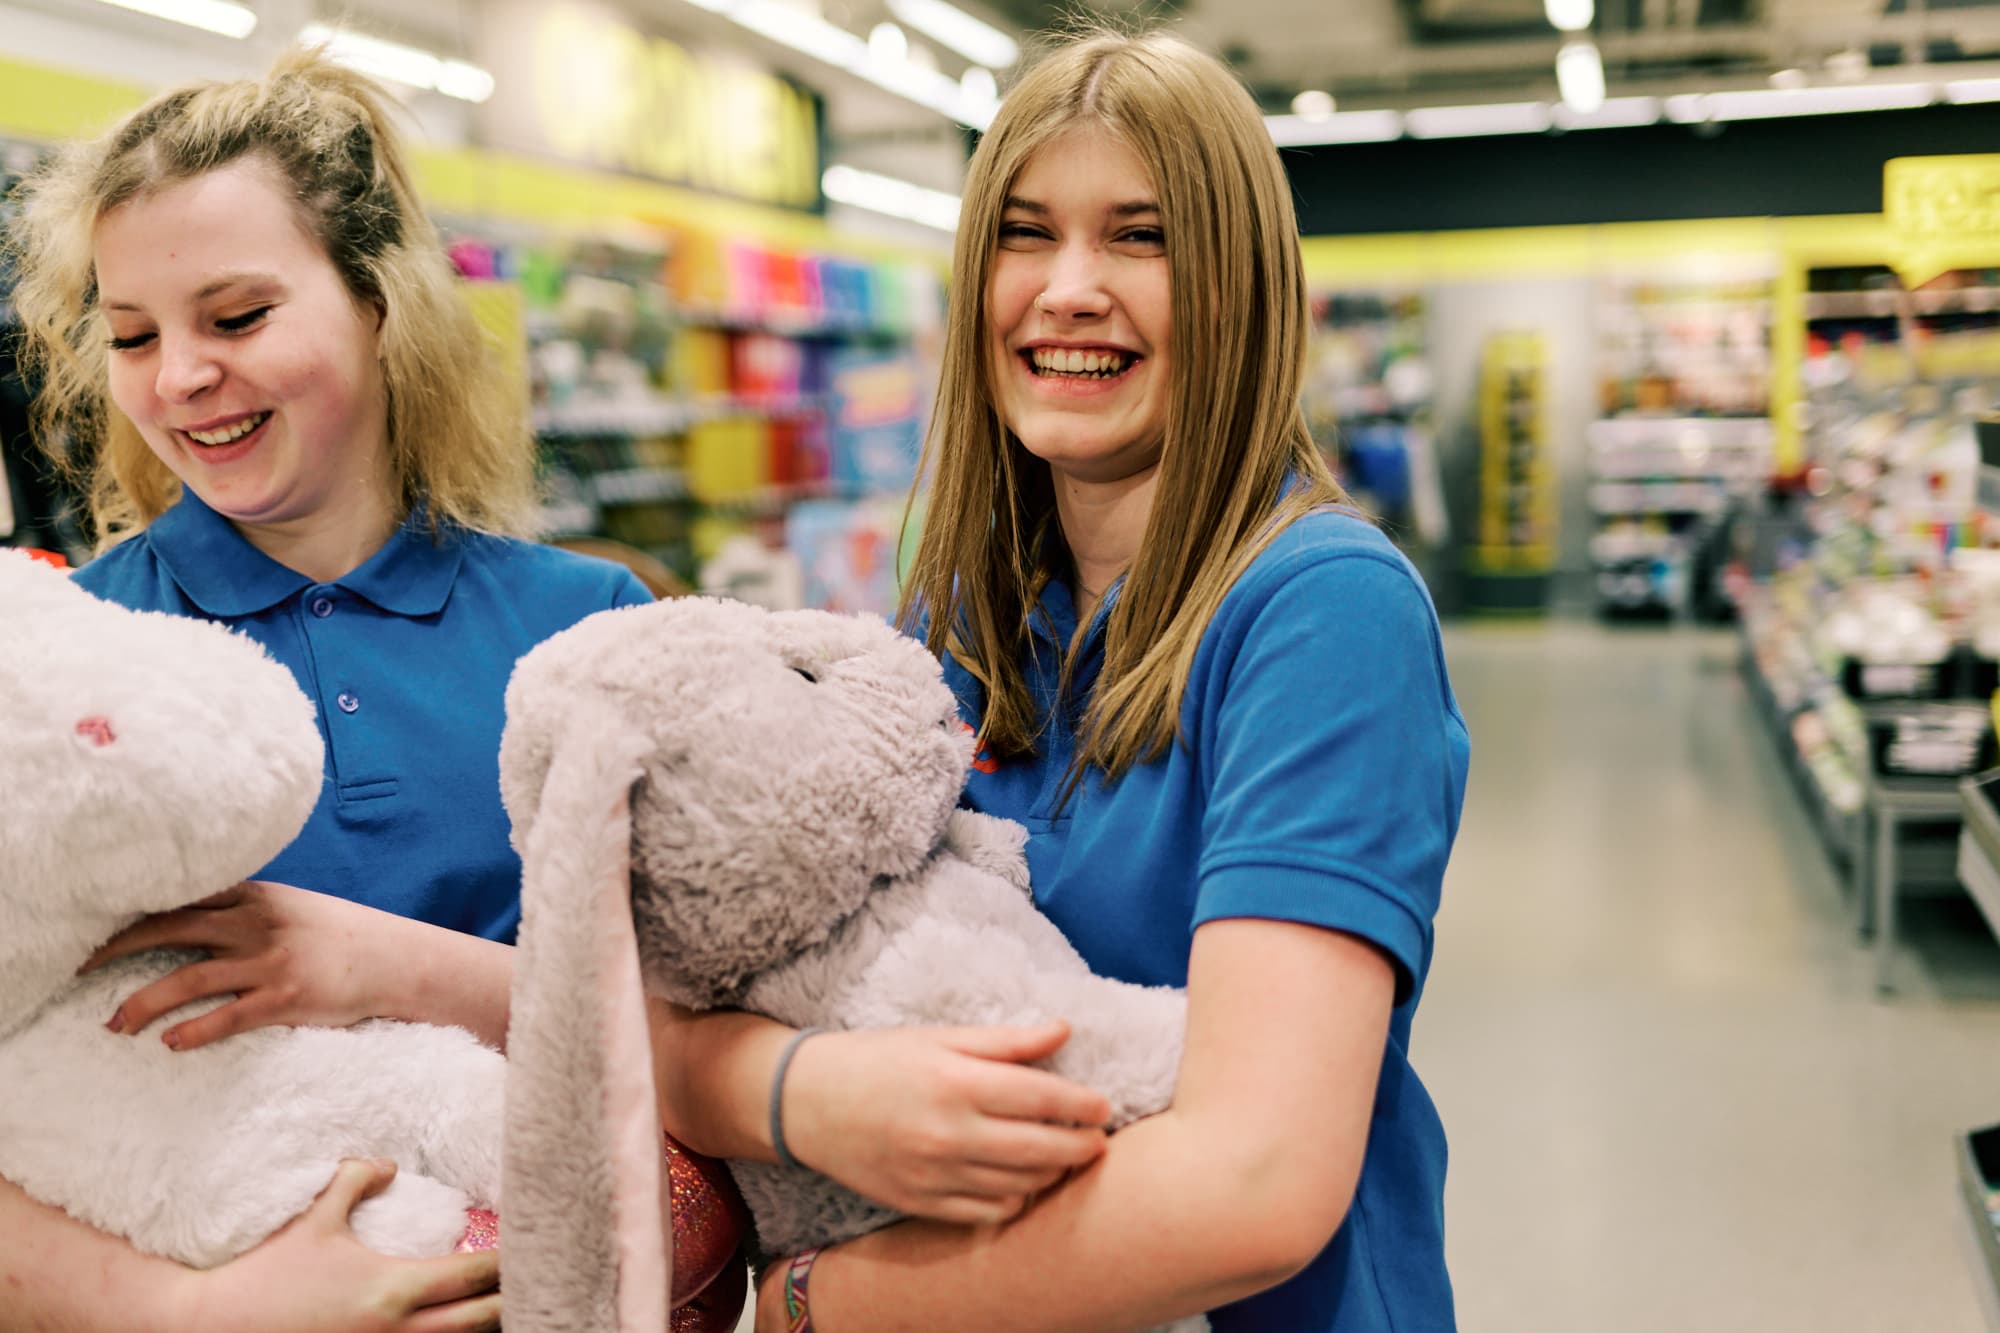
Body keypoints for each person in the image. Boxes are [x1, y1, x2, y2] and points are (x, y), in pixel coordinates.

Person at [650, 29, 1470, 1332]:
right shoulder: (961, 621)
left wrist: (822, 1301)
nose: (1068, 289)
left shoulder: (1322, 613)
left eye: (1139, 237)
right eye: (1027, 234)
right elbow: (709, 992)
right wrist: (799, 1094)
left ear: (1239, 288)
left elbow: (1256, 1182)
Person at [0, 49, 654, 1332]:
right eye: (130, 334)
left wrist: (380, 965)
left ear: (379, 301)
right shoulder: (60, 664)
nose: (178, 376)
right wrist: (197, 1311)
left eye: (236, 318)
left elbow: (706, 1037)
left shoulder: (591, 628)